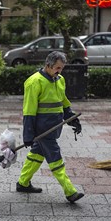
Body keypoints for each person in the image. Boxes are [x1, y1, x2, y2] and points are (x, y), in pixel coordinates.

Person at [16, 51, 84, 203]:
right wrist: (27, 135)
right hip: (42, 129)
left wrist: (72, 119)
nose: (59, 71)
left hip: (54, 126)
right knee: (55, 156)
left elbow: (63, 102)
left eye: (61, 68)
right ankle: (69, 191)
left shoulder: (60, 80)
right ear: (48, 65)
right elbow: (29, 110)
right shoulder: (34, 82)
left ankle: (23, 183)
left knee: (37, 154)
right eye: (57, 68)